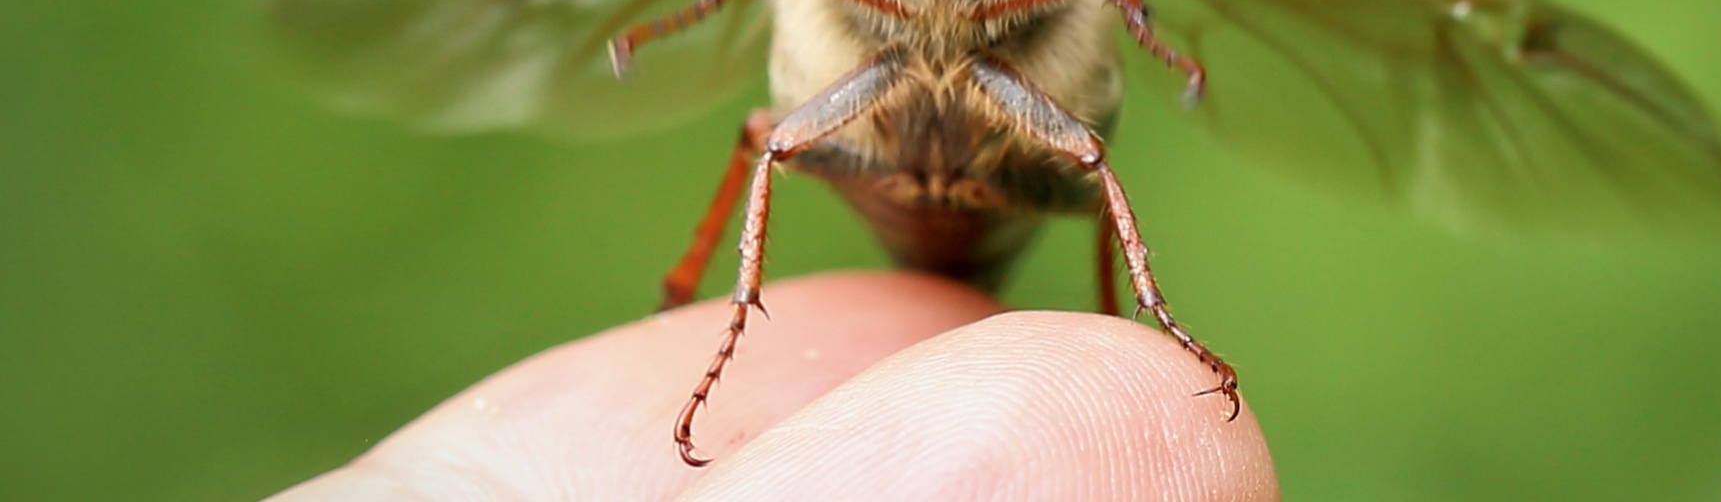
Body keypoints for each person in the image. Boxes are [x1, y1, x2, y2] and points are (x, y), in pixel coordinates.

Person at [266, 271, 1280, 500]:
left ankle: (1132, 306)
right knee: (775, 130)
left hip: (1017, 151)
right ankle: (716, 305)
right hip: (869, 139)